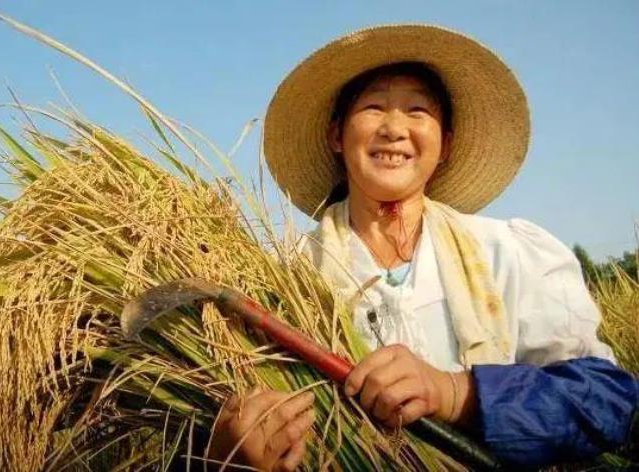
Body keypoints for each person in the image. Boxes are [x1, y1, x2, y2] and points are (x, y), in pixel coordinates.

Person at [207, 24, 638, 470]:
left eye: (417, 111)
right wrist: (228, 457)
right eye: (373, 107)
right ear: (337, 136)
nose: (394, 128)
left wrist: (456, 393)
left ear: (445, 143)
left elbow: (606, 403)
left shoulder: (506, 253)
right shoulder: (285, 274)